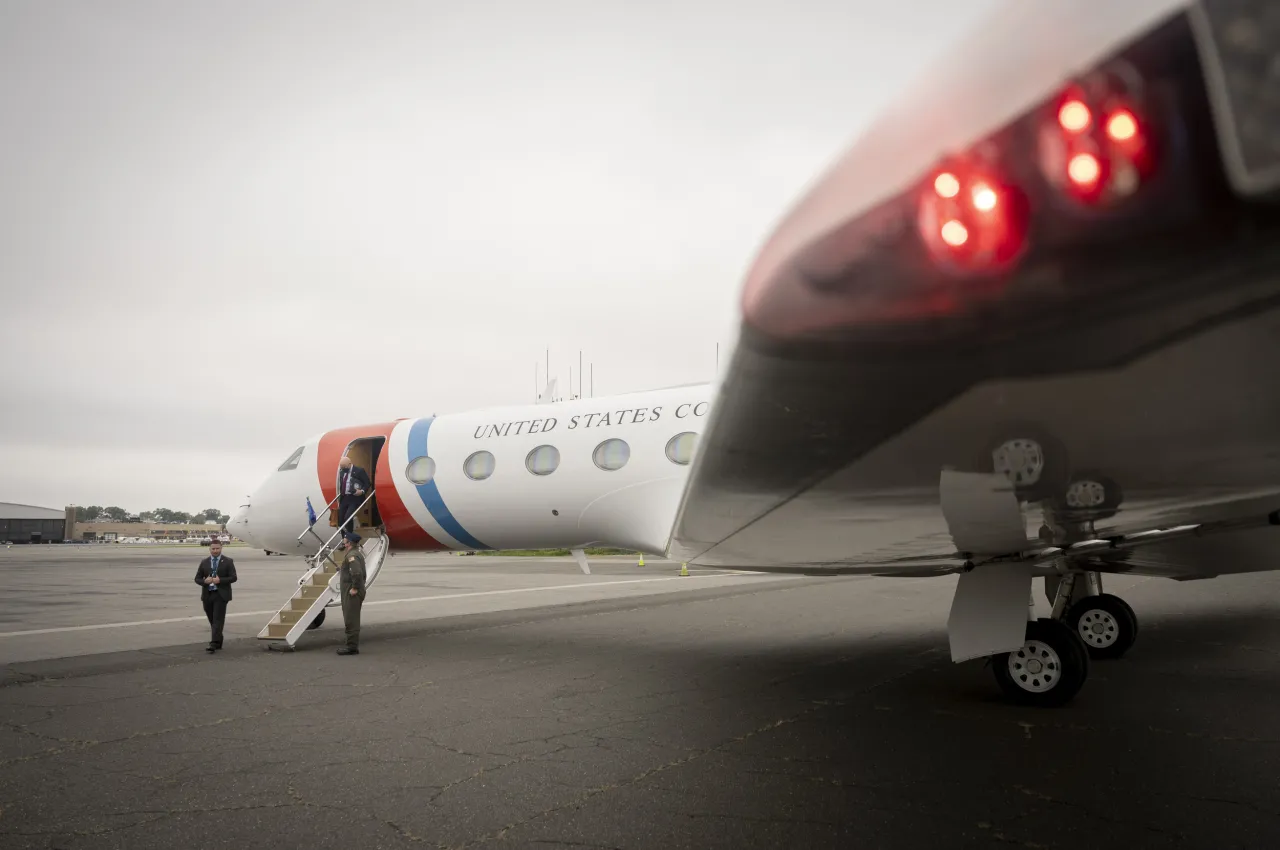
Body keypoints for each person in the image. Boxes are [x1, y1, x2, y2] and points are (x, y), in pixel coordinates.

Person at [194, 540, 237, 653]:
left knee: (218, 619)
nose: (215, 551)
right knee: (212, 620)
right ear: (210, 549)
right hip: (208, 594)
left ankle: (213, 643)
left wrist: (220, 580)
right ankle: (218, 639)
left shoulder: (228, 561)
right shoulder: (204, 562)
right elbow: (197, 579)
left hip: (221, 594)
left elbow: (233, 577)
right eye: (213, 549)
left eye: (217, 548)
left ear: (221, 548)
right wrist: (205, 581)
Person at [337, 532, 367, 655]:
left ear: (349, 543)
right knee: (350, 617)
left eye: (345, 539)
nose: (343, 540)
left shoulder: (352, 555)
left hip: (352, 592)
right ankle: (351, 645)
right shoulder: (351, 554)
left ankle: (352, 647)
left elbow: (357, 573)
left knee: (351, 619)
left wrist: (354, 588)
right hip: (349, 591)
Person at [336, 456, 371, 536]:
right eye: (341, 467)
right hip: (344, 498)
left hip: (355, 498)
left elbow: (367, 483)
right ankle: (344, 540)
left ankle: (349, 538)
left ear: (349, 464)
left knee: (348, 517)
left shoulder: (359, 471)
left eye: (344, 467)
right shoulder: (342, 472)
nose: (342, 469)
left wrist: (362, 491)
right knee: (341, 520)